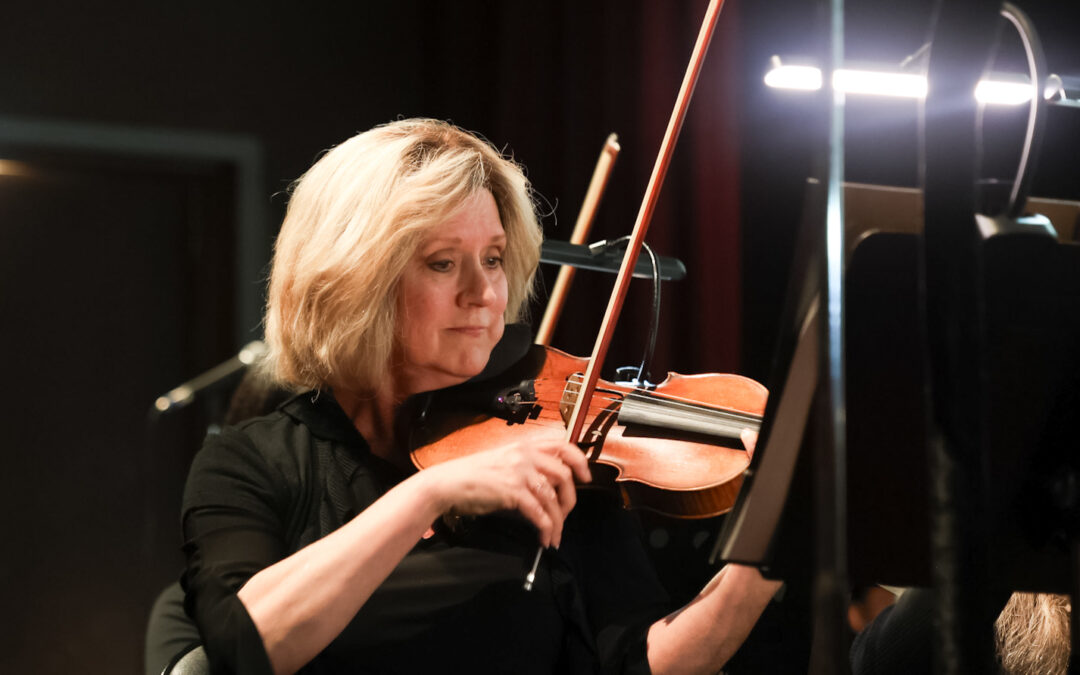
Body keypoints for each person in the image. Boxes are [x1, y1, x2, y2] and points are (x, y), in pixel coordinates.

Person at [180, 118, 780, 675]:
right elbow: (244, 646)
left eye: (492, 259)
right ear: (355, 281)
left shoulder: (553, 447)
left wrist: (764, 556)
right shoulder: (253, 464)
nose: (485, 293)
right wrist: (430, 493)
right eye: (443, 263)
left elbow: (634, 662)